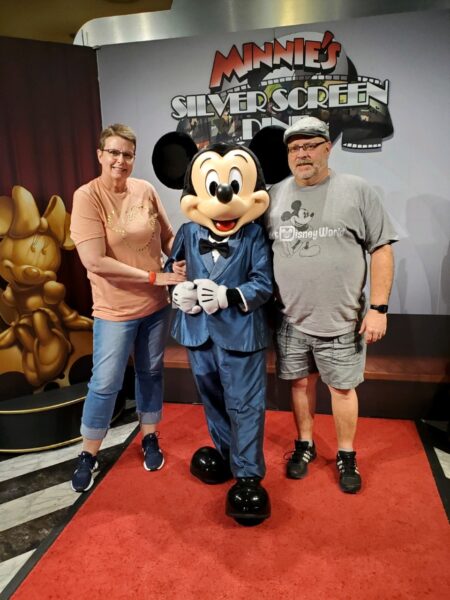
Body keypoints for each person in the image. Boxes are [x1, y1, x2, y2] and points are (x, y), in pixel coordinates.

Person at [265, 115, 398, 493]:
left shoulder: (357, 190)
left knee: (341, 390)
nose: (302, 154)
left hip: (342, 319)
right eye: (294, 148)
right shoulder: (274, 196)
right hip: (290, 318)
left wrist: (378, 308)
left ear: (328, 147)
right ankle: (304, 445)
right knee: (299, 385)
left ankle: (345, 453)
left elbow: (382, 248)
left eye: (310, 146)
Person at [69, 123, 185, 492]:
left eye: (128, 154)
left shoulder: (145, 190)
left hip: (154, 307)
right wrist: (154, 278)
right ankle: (88, 453)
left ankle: (149, 436)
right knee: (105, 383)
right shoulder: (87, 197)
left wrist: (180, 262)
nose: (121, 160)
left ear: (134, 158)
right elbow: (95, 261)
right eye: (114, 153)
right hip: (115, 310)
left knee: (150, 374)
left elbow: (167, 237)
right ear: (101, 154)